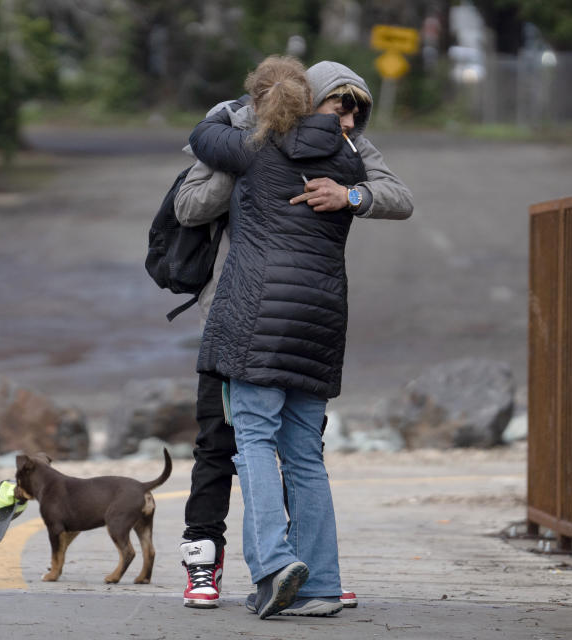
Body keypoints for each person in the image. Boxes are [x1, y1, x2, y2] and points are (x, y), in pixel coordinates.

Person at [176, 59, 414, 613]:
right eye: (342, 106)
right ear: (315, 101)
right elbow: (398, 197)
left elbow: (202, 135)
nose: (350, 119)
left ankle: (275, 566)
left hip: (257, 313)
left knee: (252, 440)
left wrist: (242, 110)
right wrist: (352, 195)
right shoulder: (348, 159)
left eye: (356, 109)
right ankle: (323, 585)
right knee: (305, 454)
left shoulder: (255, 145)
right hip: (321, 319)